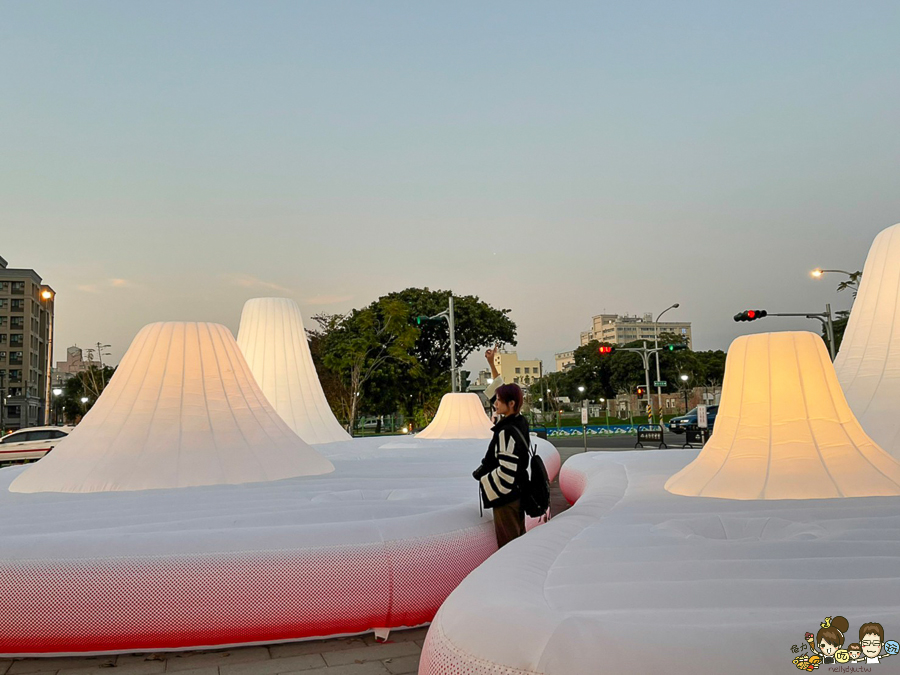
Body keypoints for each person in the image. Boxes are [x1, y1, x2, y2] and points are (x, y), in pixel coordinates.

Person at [473, 346, 531, 548]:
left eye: (498, 401)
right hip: (519, 492)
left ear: (511, 403)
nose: (495, 403)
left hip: (507, 498)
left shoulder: (506, 431)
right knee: (518, 536)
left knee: (509, 545)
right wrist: (491, 363)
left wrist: (484, 479)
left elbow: (507, 472)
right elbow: (501, 388)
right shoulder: (520, 422)